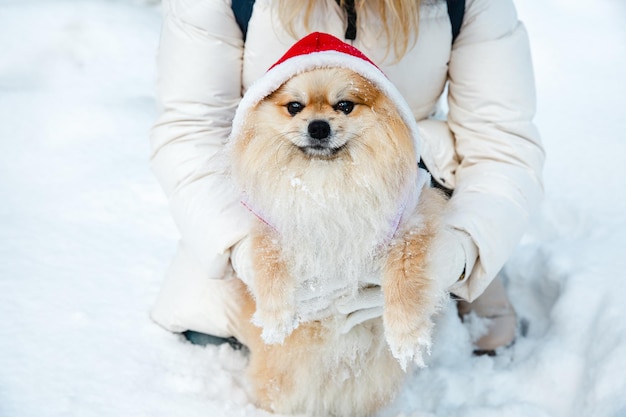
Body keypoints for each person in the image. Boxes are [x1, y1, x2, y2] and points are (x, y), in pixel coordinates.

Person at [149, 0, 544, 354]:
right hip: (261, 197)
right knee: (212, 338)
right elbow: (191, 131)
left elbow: (501, 144)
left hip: (408, 192)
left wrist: (458, 253)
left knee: (482, 340)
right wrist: (241, 249)